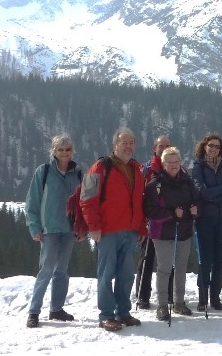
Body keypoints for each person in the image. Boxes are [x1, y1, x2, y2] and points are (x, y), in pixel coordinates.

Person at [80, 127, 146, 332]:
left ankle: (123, 312)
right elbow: (87, 198)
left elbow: (140, 202)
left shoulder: (137, 169)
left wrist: (142, 228)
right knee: (106, 274)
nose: (128, 146)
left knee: (126, 274)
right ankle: (106, 315)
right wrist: (93, 226)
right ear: (114, 145)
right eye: (124, 142)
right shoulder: (100, 167)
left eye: (131, 142)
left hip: (130, 230)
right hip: (107, 231)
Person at [25, 134, 83, 328]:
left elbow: (84, 204)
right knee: (46, 270)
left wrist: (83, 229)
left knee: (62, 271)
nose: (64, 153)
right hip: (49, 229)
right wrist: (34, 226)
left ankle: (56, 309)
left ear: (72, 151)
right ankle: (34, 312)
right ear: (54, 151)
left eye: (68, 149)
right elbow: (33, 200)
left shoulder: (78, 174)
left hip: (69, 230)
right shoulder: (44, 172)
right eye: (60, 149)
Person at [144, 147, 199, 321]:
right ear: (163, 163)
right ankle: (162, 305)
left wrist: (195, 210)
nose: (174, 165)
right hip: (162, 233)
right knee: (164, 268)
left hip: (183, 230)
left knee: (181, 268)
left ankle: (179, 302)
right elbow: (149, 210)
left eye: (176, 162)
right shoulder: (155, 185)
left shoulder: (187, 181)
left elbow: (197, 200)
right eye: (170, 162)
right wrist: (171, 214)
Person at [191, 134, 222, 311]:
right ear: (204, 146)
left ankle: (215, 297)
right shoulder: (198, 166)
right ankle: (202, 298)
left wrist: (213, 194)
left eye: (217, 146)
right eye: (211, 145)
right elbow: (200, 190)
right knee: (205, 259)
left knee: (219, 260)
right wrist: (221, 190)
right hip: (204, 220)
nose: (214, 149)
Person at [136, 134, 172, 310]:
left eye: (167, 146)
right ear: (154, 148)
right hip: (150, 222)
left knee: (168, 260)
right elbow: (138, 197)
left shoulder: (176, 168)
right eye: (161, 146)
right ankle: (143, 296)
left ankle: (169, 295)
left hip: (170, 221)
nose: (164, 149)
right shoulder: (146, 170)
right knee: (147, 260)